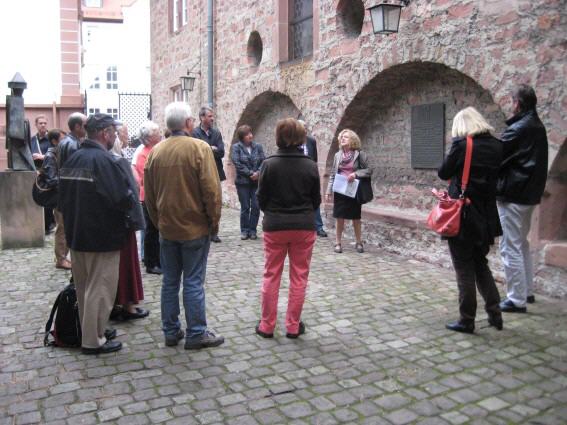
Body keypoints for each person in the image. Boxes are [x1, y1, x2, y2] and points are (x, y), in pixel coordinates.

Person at [144, 102, 224, 350]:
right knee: (192, 281)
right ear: (189, 123)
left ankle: (170, 331)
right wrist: (214, 223)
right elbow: (212, 192)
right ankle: (196, 332)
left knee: (170, 281)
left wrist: (159, 223)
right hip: (194, 228)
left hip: (168, 228)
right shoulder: (199, 148)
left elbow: (149, 196)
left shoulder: (156, 152)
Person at [59, 113, 134, 355]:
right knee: (100, 288)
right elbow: (121, 198)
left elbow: (61, 198)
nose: (115, 136)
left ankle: (91, 328)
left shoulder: (74, 157)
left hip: (77, 234)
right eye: (113, 131)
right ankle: (93, 340)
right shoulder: (104, 161)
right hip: (101, 236)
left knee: (84, 287)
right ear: (104, 133)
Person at [437, 107, 504, 334]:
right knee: (480, 264)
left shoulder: (462, 145)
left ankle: (467, 319)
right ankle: (495, 312)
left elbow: (444, 173)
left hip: (464, 216)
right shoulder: (498, 146)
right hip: (486, 216)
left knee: (464, 268)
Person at [255, 118, 320, 339]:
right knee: (299, 276)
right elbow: (316, 200)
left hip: (275, 225)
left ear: (279, 137)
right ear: (301, 138)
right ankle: (292, 325)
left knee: (271, 274)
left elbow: (260, 198)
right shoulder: (310, 165)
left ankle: (266, 325)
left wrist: (272, 212)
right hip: (303, 225)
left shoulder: (269, 164)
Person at [497, 85, 549, 313]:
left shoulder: (518, 129)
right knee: (522, 243)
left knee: (510, 246)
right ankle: (526, 291)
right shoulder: (538, 127)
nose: (511, 105)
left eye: (513, 101)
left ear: (518, 103)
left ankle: (516, 299)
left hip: (514, 194)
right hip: (528, 195)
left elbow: (497, 157)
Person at [110, 137, 149, 322]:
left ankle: (115, 304)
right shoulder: (118, 162)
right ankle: (127, 305)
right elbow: (131, 190)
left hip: (105, 225)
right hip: (122, 224)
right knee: (125, 265)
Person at [325, 129, 372, 253]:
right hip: (340, 189)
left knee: (356, 217)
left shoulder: (360, 154)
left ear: (352, 140)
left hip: (353, 190)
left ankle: (358, 242)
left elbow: (369, 170)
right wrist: (328, 191)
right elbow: (333, 174)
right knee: (339, 217)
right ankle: (338, 243)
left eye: (346, 137)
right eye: (341, 137)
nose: (342, 139)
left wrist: (355, 174)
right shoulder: (337, 155)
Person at [132, 121, 162, 275]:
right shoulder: (144, 153)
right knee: (151, 230)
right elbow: (145, 178)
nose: (160, 133)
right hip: (149, 196)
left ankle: (158, 259)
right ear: (150, 137)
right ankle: (151, 263)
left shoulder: (155, 149)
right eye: (156, 132)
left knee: (156, 230)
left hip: (157, 195)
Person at [192, 106, 226, 243]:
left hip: (216, 171)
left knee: (216, 201)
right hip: (200, 173)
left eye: (212, 116)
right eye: (210, 116)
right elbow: (197, 153)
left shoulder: (216, 133)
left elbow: (222, 151)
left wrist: (207, 148)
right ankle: (202, 229)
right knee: (202, 201)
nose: (212, 119)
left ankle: (214, 232)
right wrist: (211, 148)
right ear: (202, 118)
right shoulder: (194, 133)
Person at [42, 129, 71, 270]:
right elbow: (51, 179)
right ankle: (60, 258)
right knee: (62, 227)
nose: (66, 142)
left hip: (65, 196)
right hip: (60, 198)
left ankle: (63, 256)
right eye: (62, 139)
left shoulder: (59, 154)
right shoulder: (50, 156)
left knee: (66, 227)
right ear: (54, 141)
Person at [231, 125, 266, 240]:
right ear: (242, 137)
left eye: (250, 133)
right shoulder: (236, 147)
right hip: (243, 182)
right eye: (247, 134)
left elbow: (263, 161)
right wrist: (251, 173)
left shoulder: (258, 146)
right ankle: (244, 230)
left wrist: (258, 173)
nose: (250, 135)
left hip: (256, 182)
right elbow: (237, 163)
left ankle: (253, 230)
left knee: (256, 206)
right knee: (245, 207)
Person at [298, 120, 327, 237]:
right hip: (297, 176)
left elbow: (314, 158)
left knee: (315, 200)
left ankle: (318, 227)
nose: (305, 129)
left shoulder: (311, 141)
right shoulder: (293, 141)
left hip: (310, 175)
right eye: (302, 127)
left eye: (305, 127)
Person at [31, 115, 55, 234]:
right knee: (38, 197)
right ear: (36, 125)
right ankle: (41, 225)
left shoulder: (51, 139)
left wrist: (41, 156)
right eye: (40, 123)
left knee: (48, 198)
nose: (43, 125)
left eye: (45, 123)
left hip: (48, 173)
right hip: (35, 172)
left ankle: (49, 224)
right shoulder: (32, 140)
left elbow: (56, 154)